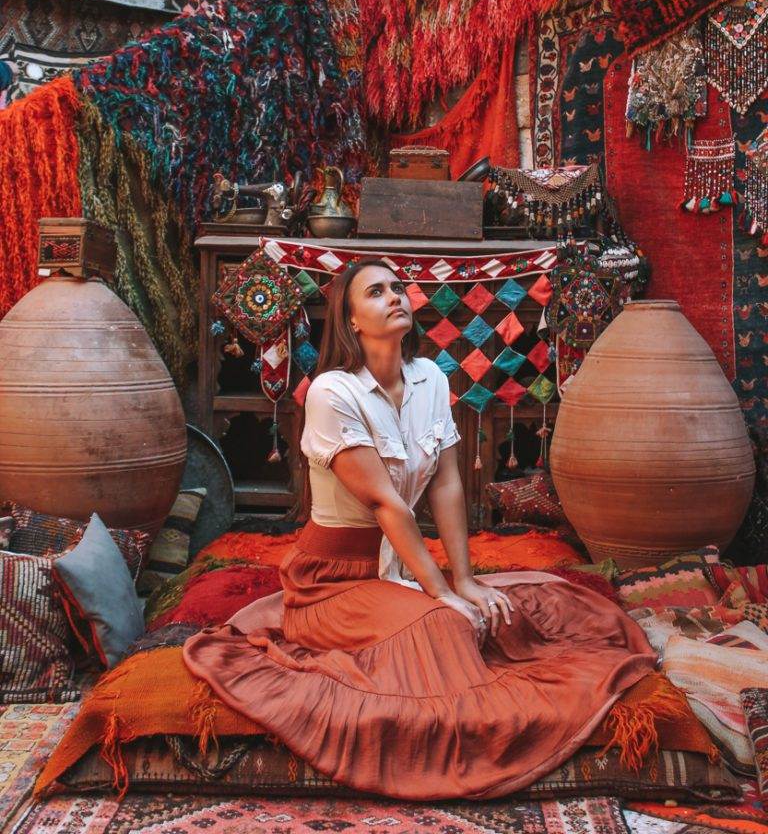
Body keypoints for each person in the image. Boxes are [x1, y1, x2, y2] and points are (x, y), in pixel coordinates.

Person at [183, 259, 656, 799]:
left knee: (528, 608)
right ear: (351, 320)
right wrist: (441, 594)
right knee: (448, 627)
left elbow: (448, 484)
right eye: (376, 292)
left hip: (399, 563)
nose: (395, 296)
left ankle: (434, 611)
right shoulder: (331, 392)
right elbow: (388, 503)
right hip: (331, 582)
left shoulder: (430, 377)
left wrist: (467, 581)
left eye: (397, 287)